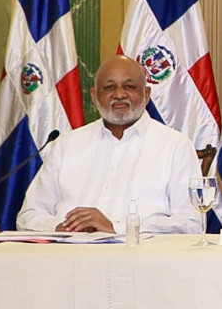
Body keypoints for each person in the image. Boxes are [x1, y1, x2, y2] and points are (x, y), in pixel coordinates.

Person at [16, 55, 203, 234]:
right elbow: (28, 215)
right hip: (69, 251)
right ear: (94, 96)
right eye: (109, 87)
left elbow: (191, 223)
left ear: (146, 95)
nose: (119, 94)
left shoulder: (175, 146)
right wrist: (62, 226)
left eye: (129, 87)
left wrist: (117, 228)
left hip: (139, 253)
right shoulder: (66, 145)